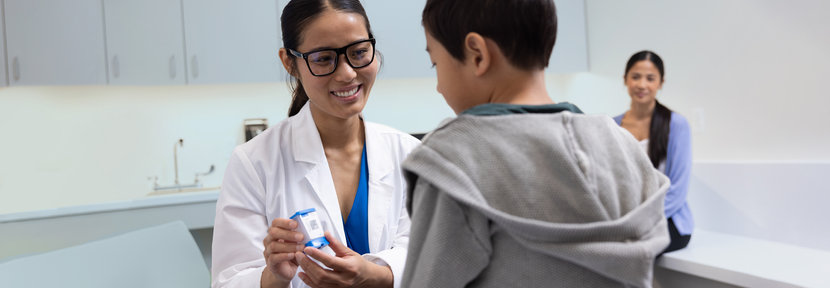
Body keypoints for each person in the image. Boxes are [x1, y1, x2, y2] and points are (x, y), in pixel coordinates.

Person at [400, 0, 671, 287]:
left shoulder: (453, 160)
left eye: (436, 63)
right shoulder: (623, 145)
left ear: (477, 54)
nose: (439, 85)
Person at [211, 1, 419, 287]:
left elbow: (429, 255)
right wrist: (272, 277)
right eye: (323, 58)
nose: (347, 73)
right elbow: (229, 281)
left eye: (359, 52)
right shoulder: (254, 163)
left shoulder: (408, 154)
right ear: (289, 62)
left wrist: (380, 276)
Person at [614, 50, 693, 254]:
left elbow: (677, 191)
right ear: (625, 80)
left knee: (626, 252)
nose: (642, 85)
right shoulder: (612, 125)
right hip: (625, 221)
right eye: (635, 77)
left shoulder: (677, 125)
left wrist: (638, 222)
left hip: (668, 221)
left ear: (660, 83)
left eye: (650, 78)